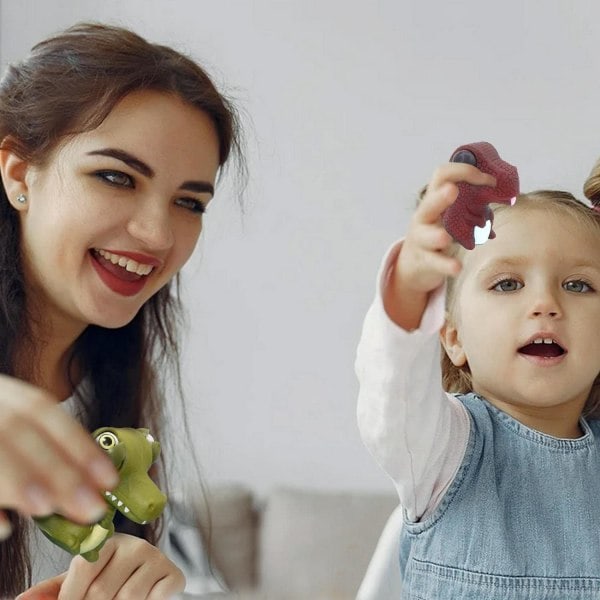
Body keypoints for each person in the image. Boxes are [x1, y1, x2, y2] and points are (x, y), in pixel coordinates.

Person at [0, 22, 243, 599]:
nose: (157, 235)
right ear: (16, 172)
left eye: (189, 202)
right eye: (115, 176)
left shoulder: (115, 391)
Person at [355, 160, 600, 599]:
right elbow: (395, 385)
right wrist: (410, 287)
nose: (545, 303)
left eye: (578, 286)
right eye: (507, 284)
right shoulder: (442, 451)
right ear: (453, 338)